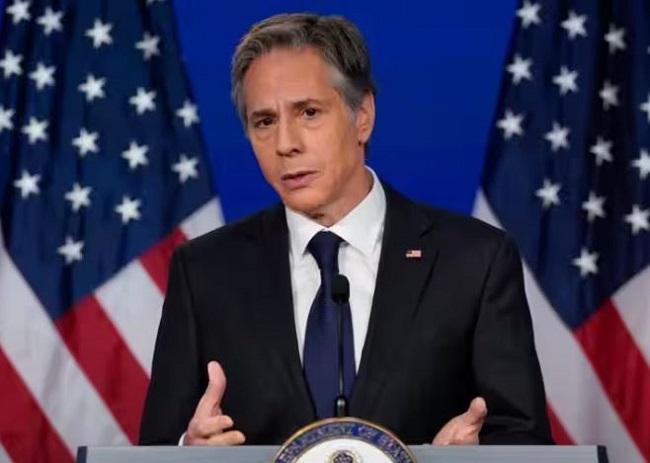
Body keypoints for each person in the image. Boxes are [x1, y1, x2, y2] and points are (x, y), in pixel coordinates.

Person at [139, 12, 553, 447]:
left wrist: (467, 459)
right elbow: (156, 447)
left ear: (363, 116)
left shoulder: (474, 261)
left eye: (309, 113)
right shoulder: (205, 271)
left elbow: (525, 440)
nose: (285, 144)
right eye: (264, 122)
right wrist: (190, 451)